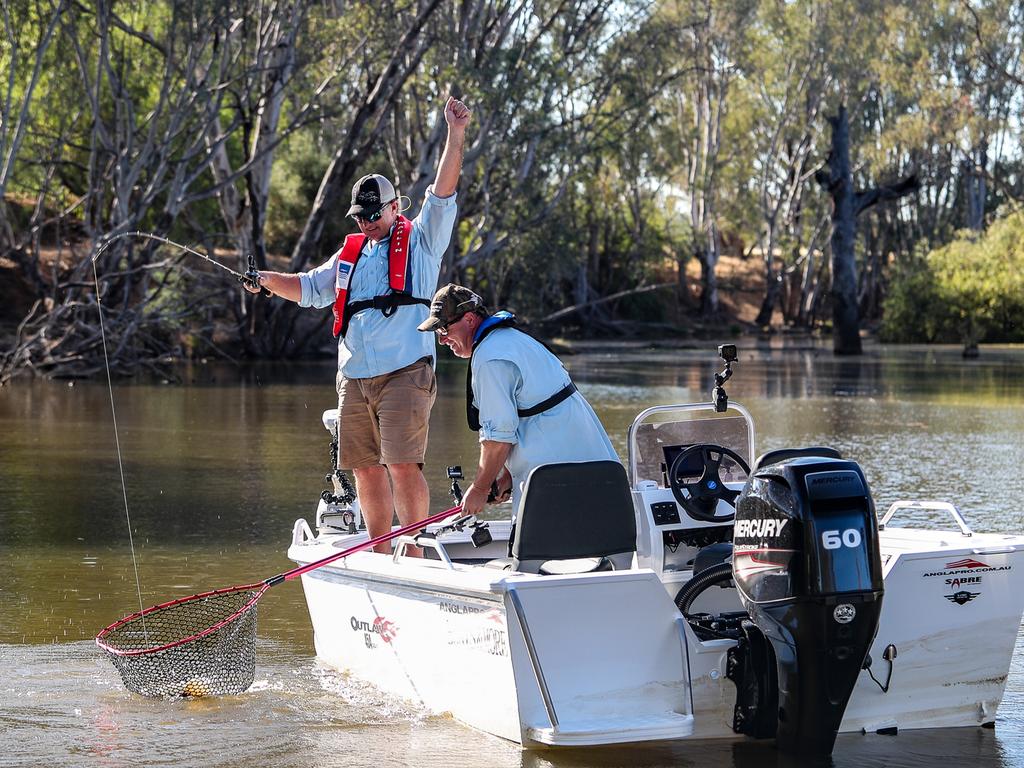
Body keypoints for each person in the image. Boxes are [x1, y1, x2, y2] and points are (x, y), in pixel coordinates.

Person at [246, 97, 471, 554]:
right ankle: (381, 552)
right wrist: (267, 281)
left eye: (374, 214)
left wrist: (455, 133)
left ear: (394, 208)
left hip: (405, 370)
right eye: (360, 216)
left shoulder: (422, 241)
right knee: (365, 467)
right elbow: (309, 288)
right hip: (354, 377)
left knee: (402, 464)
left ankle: (415, 552)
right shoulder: (350, 254)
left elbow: (443, 191)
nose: (367, 222)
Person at [418, 284, 618, 517]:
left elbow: (498, 438)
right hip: (598, 478)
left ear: (470, 320)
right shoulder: (512, 340)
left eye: (444, 329)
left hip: (559, 484)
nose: (442, 340)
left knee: (531, 549)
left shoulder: (490, 359)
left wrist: (481, 488)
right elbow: (537, 412)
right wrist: (507, 477)